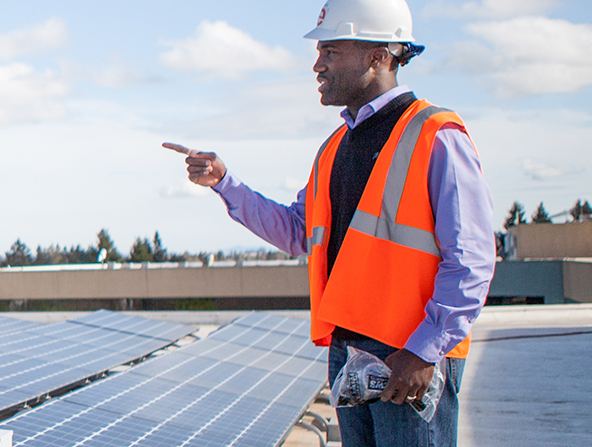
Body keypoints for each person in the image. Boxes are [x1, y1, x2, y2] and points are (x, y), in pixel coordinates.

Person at [165, 1, 492, 446]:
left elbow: (471, 258)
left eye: (331, 51)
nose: (317, 64)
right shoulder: (334, 147)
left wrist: (424, 350)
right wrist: (225, 183)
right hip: (350, 356)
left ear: (379, 55)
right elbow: (298, 231)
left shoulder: (437, 136)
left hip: (410, 359)